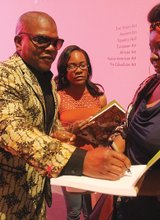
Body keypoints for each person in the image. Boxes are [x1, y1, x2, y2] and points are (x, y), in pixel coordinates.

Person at [0, 11, 130, 219]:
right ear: (18, 41)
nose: (51, 49)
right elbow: (13, 132)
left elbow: (48, 127)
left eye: (55, 42)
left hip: (35, 197)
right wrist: (82, 160)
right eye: (42, 40)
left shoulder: (46, 80)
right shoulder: (4, 75)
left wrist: (67, 133)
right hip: (8, 199)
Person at [110, 0, 160, 219]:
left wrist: (131, 183)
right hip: (127, 205)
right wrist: (112, 153)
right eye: (151, 48)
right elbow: (127, 128)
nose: (152, 56)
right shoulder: (149, 84)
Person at [56, 45, 113, 220]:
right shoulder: (58, 96)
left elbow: (108, 129)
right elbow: (52, 132)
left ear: (88, 67)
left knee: (92, 211)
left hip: (95, 159)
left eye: (82, 65)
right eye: (72, 66)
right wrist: (71, 130)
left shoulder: (99, 96)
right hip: (70, 159)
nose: (78, 70)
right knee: (74, 211)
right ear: (64, 70)